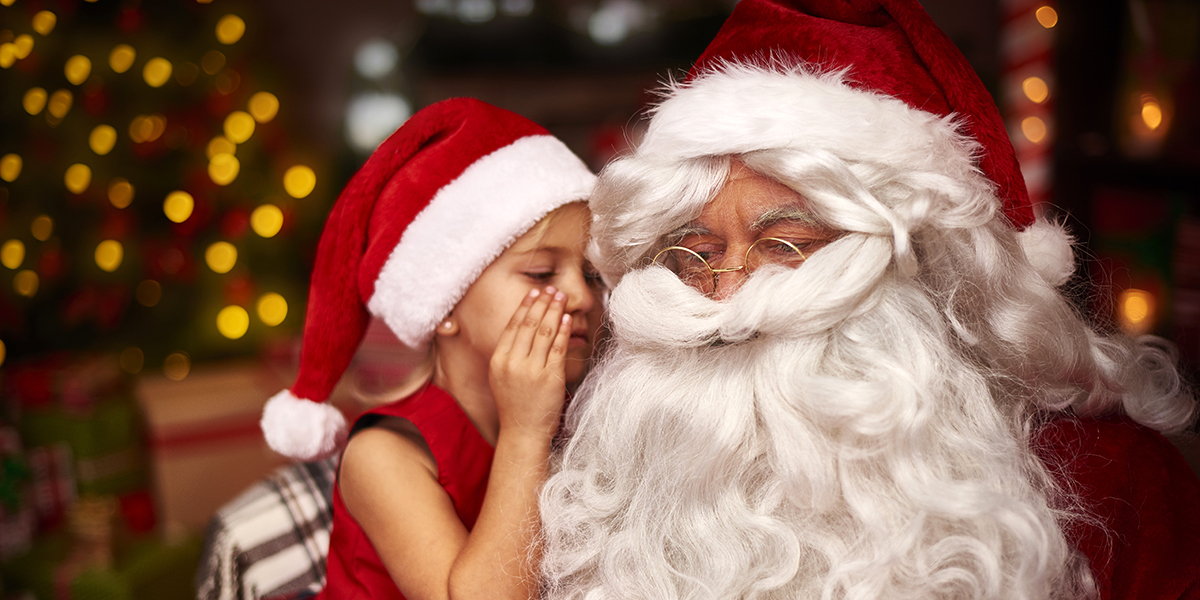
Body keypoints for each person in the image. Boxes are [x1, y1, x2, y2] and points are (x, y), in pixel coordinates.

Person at [538, 1, 1200, 599]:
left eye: (787, 244)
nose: (732, 289)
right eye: (696, 254)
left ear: (925, 265)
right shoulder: (606, 483)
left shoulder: (1118, 483)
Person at [258, 98, 602, 599]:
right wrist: (526, 433)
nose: (582, 296)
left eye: (590, 273)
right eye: (541, 273)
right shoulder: (383, 454)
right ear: (444, 305)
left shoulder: (578, 418)